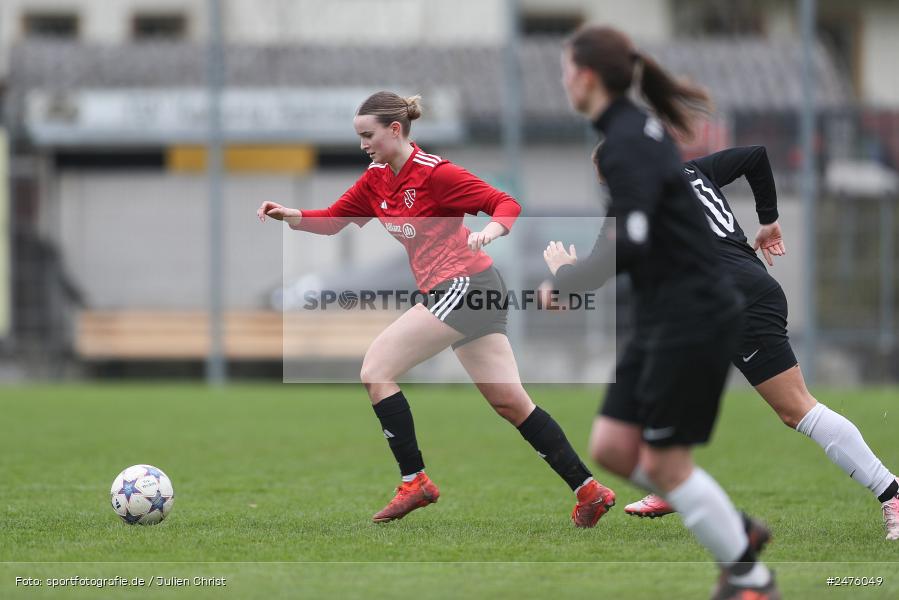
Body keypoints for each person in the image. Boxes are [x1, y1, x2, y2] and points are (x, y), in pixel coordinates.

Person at [257, 90, 615, 527]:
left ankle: (415, 482)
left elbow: (507, 204)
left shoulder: (435, 173)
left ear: (395, 129)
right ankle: (589, 491)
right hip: (466, 290)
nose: (363, 144)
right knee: (511, 403)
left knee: (376, 370)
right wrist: (290, 215)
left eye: (368, 135)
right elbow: (333, 220)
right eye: (358, 137)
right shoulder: (376, 179)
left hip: (465, 285)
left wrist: (494, 231)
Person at [543, 25, 779, 599]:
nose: (563, 79)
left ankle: (751, 579)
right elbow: (632, 232)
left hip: (693, 315)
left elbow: (635, 241)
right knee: (613, 448)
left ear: (588, 77)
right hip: (667, 314)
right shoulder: (626, 131)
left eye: (566, 68)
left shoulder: (626, 142)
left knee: (666, 464)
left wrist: (571, 280)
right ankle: (734, 530)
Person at [616, 145, 899, 540]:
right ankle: (673, 482)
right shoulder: (690, 171)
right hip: (727, 298)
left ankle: (892, 492)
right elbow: (756, 156)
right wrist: (768, 219)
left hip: (739, 299)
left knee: (797, 408)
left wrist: (565, 275)